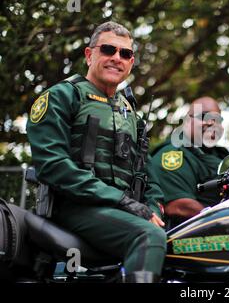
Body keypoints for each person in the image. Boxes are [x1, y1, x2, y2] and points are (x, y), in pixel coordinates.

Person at [26, 21, 166, 283]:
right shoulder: (63, 95)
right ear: (90, 55)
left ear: (131, 63)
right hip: (75, 207)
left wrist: (152, 209)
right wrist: (123, 202)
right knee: (149, 236)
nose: (116, 58)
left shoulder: (131, 114)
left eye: (124, 53)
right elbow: (53, 166)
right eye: (108, 50)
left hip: (121, 212)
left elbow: (146, 174)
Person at [150, 97, 229, 226]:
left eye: (217, 119)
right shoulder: (172, 154)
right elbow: (178, 206)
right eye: (203, 116)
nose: (210, 123)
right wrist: (225, 218)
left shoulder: (221, 155)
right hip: (194, 236)